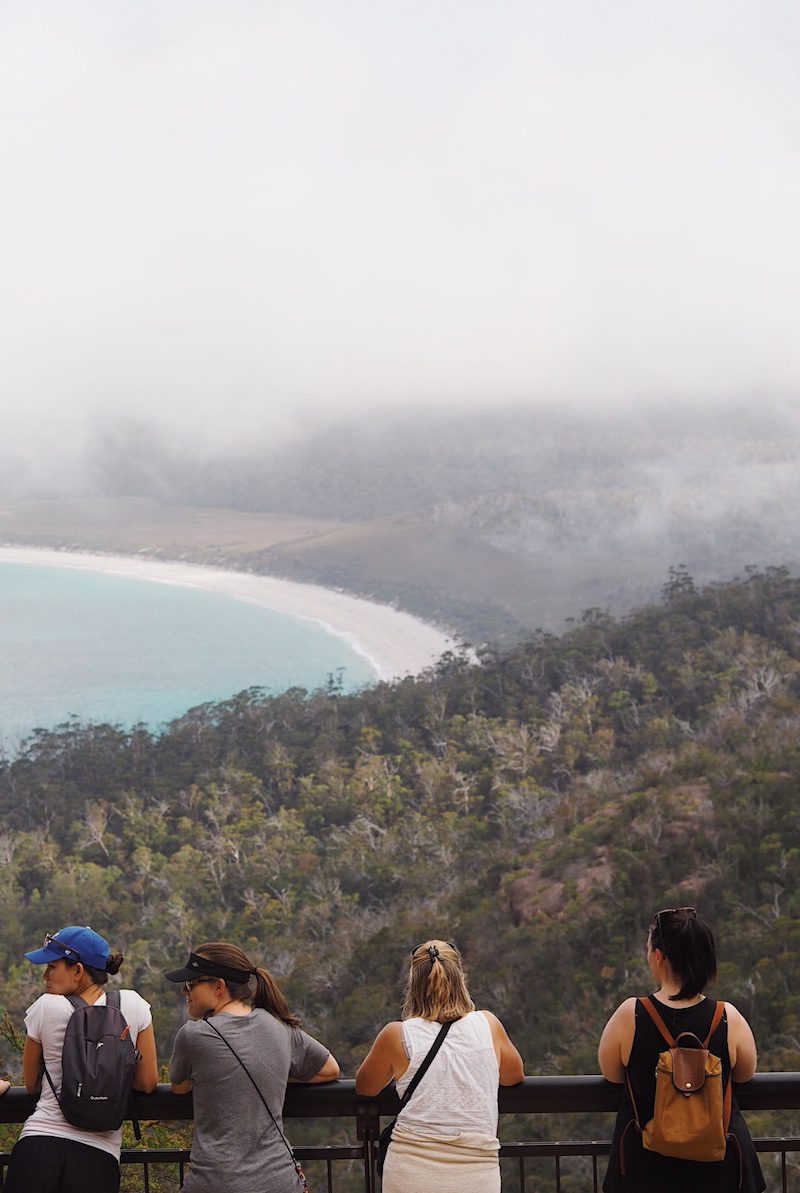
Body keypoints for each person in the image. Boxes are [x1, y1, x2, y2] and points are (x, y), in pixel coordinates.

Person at [598, 906, 765, 1193]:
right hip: (718, 1171)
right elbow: (745, 1074)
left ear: (659, 957)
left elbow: (611, 1074)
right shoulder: (728, 1017)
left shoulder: (631, 1014)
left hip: (647, 1170)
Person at [165, 940, 339, 1193]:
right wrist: (273, 1072)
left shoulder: (193, 1035)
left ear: (219, 986)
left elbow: (180, 1087)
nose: (185, 991)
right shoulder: (279, 1026)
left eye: (191, 984)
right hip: (279, 1180)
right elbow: (330, 1069)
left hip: (216, 1181)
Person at [355, 938, 524, 1193]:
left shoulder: (397, 1035)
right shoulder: (488, 1026)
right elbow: (513, 1076)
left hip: (410, 1171)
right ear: (460, 978)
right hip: (476, 1174)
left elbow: (365, 1087)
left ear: (414, 983)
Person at [5, 924, 158, 1193]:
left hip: (39, 1146)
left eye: (52, 967)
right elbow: (147, 1083)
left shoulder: (46, 1007)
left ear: (78, 971)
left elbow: (31, 1085)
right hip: (98, 1154)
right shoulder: (133, 1005)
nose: (45, 976)